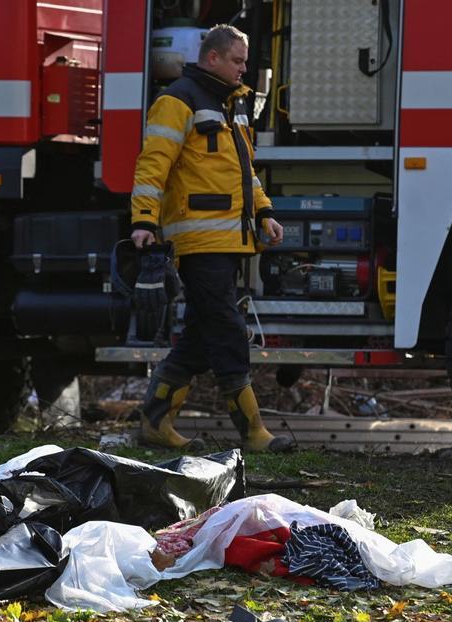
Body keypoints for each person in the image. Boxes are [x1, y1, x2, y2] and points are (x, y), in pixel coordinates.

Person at [130, 23, 293, 453]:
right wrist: (143, 221)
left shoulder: (230, 106)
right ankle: (252, 429)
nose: (244, 69)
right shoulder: (177, 101)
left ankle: (154, 421)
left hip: (229, 240)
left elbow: (243, 173)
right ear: (213, 58)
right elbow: (152, 166)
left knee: (203, 333)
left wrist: (264, 212)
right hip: (199, 241)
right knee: (226, 328)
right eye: (238, 61)